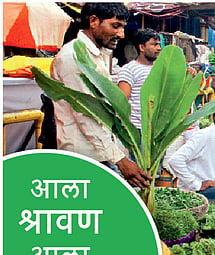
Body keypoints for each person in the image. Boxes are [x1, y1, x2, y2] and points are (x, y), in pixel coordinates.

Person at [51, 3, 150, 189]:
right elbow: (86, 115)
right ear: (94, 22)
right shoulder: (73, 57)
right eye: (115, 26)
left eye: (122, 27)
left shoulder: (98, 55)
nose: (121, 34)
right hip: (83, 158)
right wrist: (120, 159)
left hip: (101, 154)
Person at [118, 28, 161, 134]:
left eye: (159, 45)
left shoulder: (160, 69)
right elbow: (121, 101)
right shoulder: (129, 69)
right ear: (142, 47)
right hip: (138, 129)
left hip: (158, 129)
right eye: (154, 44)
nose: (159, 48)